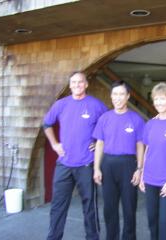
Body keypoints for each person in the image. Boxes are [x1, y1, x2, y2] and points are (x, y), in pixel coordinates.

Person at [43, 71, 107, 240]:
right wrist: (54, 144)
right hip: (64, 163)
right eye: (74, 82)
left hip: (86, 164)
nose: (77, 85)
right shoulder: (61, 104)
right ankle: (54, 237)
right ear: (70, 85)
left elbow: (108, 125)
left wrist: (100, 141)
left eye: (80, 82)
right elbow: (47, 124)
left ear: (86, 84)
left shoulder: (96, 105)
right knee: (58, 205)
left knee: (89, 206)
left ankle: (92, 237)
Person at [92, 80, 144, 240]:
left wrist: (139, 169)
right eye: (115, 94)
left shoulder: (136, 119)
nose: (118, 98)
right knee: (109, 208)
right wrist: (96, 168)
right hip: (107, 164)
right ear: (111, 96)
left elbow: (140, 145)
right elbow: (99, 143)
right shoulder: (104, 118)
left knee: (129, 208)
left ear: (128, 96)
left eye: (122, 94)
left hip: (128, 165)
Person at [139, 82, 166, 240]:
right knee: (152, 221)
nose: (158, 102)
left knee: (164, 222)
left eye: (162, 98)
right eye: (156, 99)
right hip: (150, 179)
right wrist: (142, 174)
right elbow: (147, 150)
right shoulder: (150, 124)